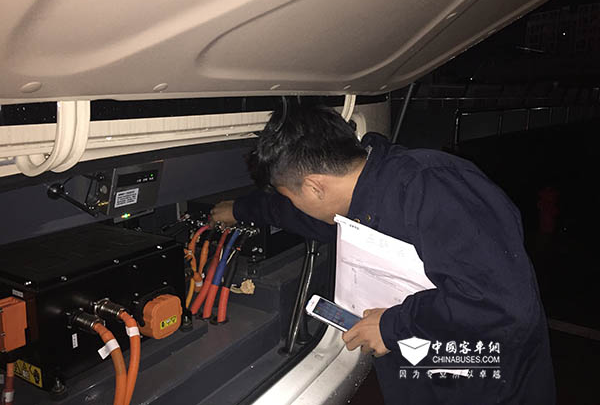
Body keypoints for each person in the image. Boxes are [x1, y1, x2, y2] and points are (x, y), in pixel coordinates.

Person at [210, 104, 555, 404]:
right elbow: (296, 215)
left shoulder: (434, 189)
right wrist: (239, 210)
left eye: (291, 195)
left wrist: (393, 325)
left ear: (315, 186)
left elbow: (503, 304)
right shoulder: (356, 199)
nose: (293, 204)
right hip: (426, 376)